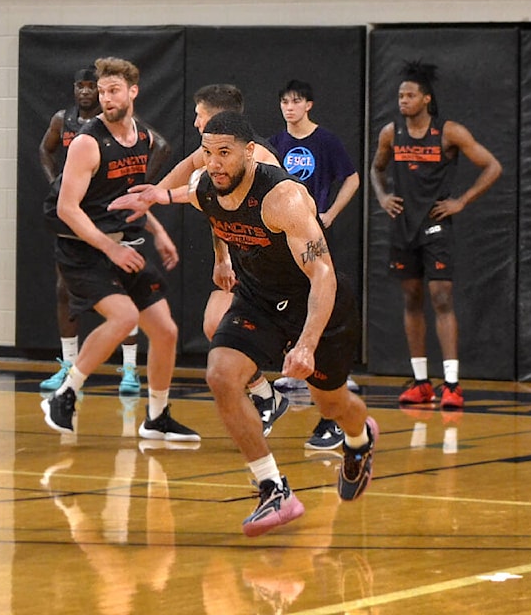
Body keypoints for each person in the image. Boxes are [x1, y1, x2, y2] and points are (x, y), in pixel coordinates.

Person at [110, 111, 377, 537]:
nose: (214, 163)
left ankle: (360, 438)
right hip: (257, 300)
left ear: (249, 152)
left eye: (225, 153)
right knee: (219, 374)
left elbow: (322, 274)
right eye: (207, 153)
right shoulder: (207, 186)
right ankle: (274, 487)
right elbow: (189, 194)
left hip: (315, 303)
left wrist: (306, 344)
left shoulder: (282, 198)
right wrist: (155, 198)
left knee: (332, 405)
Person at [41, 56, 199, 443]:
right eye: (102, 91)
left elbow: (130, 197)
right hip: (81, 249)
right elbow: (66, 208)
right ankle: (65, 394)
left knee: (165, 331)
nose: (106, 98)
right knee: (124, 317)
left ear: (132, 92)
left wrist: (158, 231)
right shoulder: (86, 142)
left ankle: (157, 417)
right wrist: (110, 252)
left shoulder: (142, 139)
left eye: (113, 91)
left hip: (122, 242)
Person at [152, 83, 287, 438]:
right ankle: (264, 394)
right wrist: (149, 197)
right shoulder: (213, 154)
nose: (195, 123)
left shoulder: (257, 160)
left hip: (281, 267)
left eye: (199, 115)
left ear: (216, 116)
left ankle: (333, 418)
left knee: (301, 350)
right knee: (215, 324)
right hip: (246, 262)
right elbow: (201, 188)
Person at [370, 60, 501, 408]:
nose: (403, 100)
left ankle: (453, 385)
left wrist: (462, 201)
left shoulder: (449, 132)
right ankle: (421, 382)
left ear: (426, 99)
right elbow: (376, 168)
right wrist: (383, 197)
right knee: (411, 299)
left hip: (435, 225)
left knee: (441, 298)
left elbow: (492, 166)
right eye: (400, 95)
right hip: (402, 227)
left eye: (410, 95)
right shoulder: (390, 132)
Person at [269, 79, 362, 449]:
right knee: (287, 299)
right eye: (284, 102)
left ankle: (329, 376)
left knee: (322, 297)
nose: (289, 108)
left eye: (296, 102)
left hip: (315, 233)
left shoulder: (325, 141)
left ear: (309, 105)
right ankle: (295, 368)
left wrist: (331, 213)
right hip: (284, 235)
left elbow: (352, 178)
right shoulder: (275, 143)